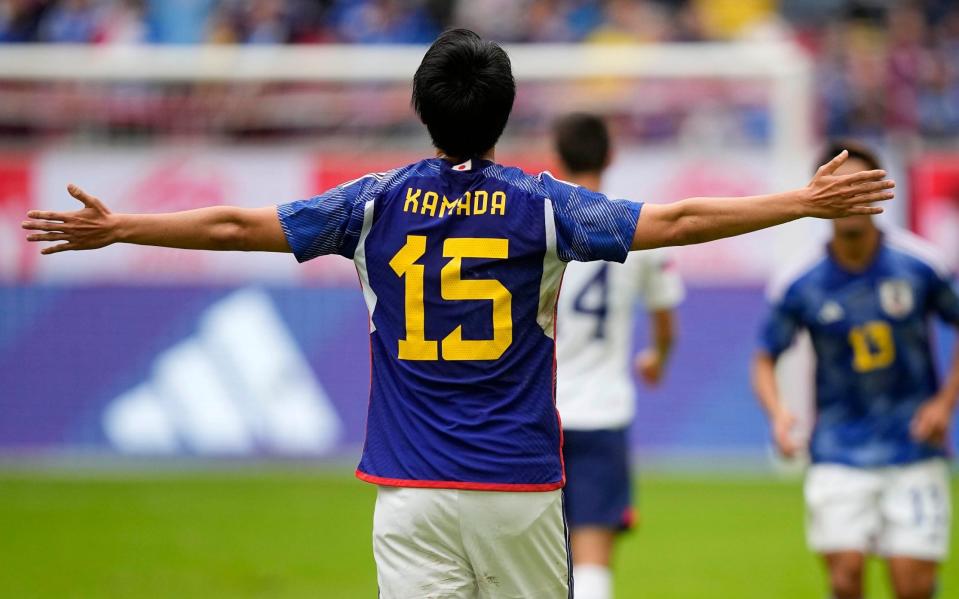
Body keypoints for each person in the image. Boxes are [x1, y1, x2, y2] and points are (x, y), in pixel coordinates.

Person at [23, 29, 893, 598]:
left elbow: (233, 221)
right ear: (507, 112)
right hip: (516, 487)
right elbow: (678, 220)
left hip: (407, 490)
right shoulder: (544, 205)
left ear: (422, 107)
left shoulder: (372, 204)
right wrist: (799, 201)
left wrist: (120, 226)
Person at [752, 141, 958, 599]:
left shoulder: (919, 264)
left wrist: (945, 404)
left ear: (879, 194)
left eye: (858, 186)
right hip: (838, 447)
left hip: (913, 445)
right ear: (818, 196)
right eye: (835, 187)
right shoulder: (800, 280)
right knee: (845, 576)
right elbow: (765, 355)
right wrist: (779, 414)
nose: (847, 197)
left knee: (914, 583)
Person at [552, 113, 683, 599]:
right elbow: (666, 321)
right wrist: (657, 358)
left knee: (535, 560)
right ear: (611, 157)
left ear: (557, 158)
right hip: (605, 412)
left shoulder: (542, 224)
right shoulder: (637, 228)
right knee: (593, 560)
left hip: (543, 413)